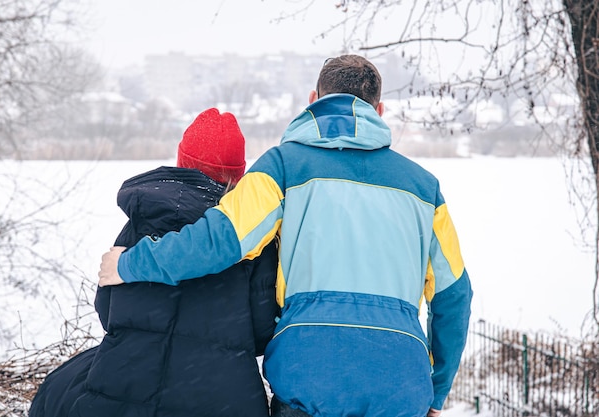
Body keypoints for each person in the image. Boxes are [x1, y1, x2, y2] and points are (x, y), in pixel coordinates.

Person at [99, 55, 473, 417]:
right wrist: (437, 390)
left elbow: (218, 241)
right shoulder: (425, 189)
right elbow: (454, 295)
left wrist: (130, 263)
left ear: (314, 100)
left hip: (309, 375)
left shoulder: (282, 166)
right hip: (398, 382)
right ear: (380, 110)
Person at [30, 108, 279, 417]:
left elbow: (107, 309)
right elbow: (263, 328)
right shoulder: (247, 237)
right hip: (220, 397)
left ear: (182, 161)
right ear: (238, 173)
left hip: (124, 387)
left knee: (56, 390)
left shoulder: (139, 222)